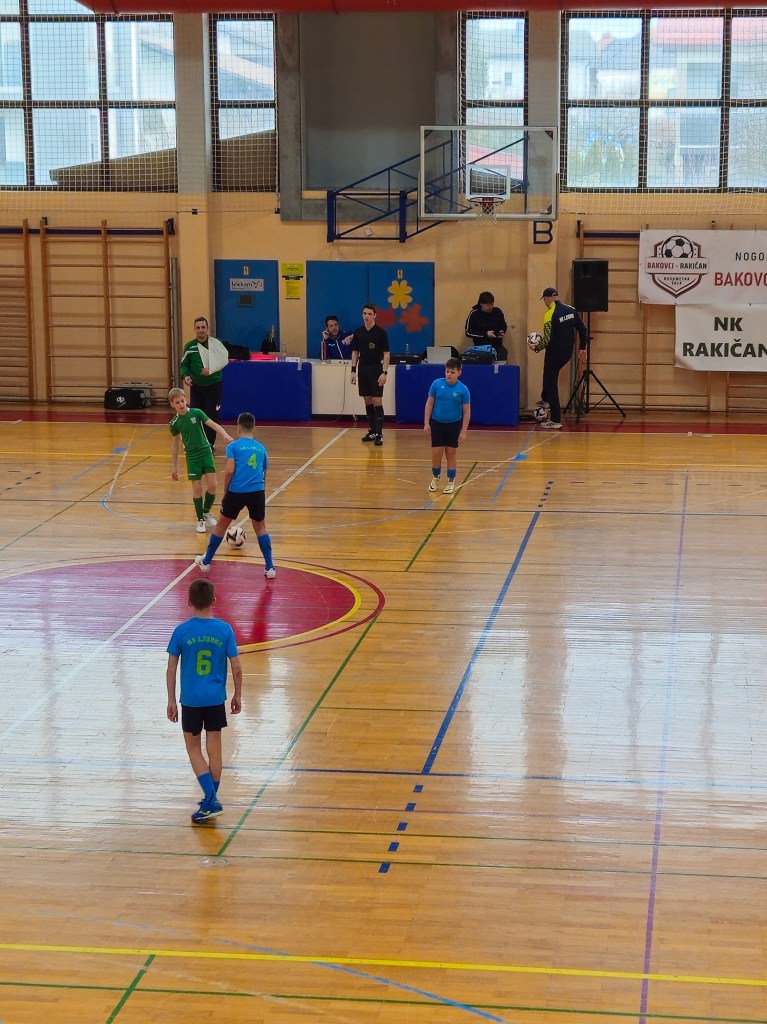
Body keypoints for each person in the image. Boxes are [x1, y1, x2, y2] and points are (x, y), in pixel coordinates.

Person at [166, 578, 242, 824]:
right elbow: (237, 667)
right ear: (214, 601)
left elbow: (171, 668)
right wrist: (237, 694)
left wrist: (171, 699)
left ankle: (211, 799)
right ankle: (211, 801)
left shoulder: (181, 632)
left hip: (191, 701)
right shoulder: (225, 630)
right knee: (214, 749)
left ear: (188, 602)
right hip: (215, 699)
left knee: (193, 749)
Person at [195, 411, 277, 579]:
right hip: (257, 492)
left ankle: (207, 562)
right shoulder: (261, 448)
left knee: (221, 526)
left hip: (236, 491)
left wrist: (226, 490)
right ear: (254, 428)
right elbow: (264, 472)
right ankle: (270, 568)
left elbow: (230, 470)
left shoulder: (233, 447)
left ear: (238, 428)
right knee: (261, 528)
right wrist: (260, 490)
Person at [168, 388, 233, 533]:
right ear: (172, 404)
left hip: (205, 452)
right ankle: (200, 520)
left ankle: (206, 511)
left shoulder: (196, 413)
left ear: (186, 400)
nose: (181, 404)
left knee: (213, 485)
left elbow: (213, 424)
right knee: (197, 489)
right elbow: (175, 446)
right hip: (192, 457)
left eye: (182, 401)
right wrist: (174, 466)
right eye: (177, 402)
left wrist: (225, 435)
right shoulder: (174, 423)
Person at [538, 286, 590, 430]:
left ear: (547, 298)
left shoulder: (549, 314)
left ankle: (555, 419)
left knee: (551, 382)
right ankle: (545, 399)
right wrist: (582, 348)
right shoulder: (571, 310)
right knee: (548, 376)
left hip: (554, 353)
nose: (545, 302)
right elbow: (582, 329)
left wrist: (536, 347)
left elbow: (547, 339)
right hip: (567, 353)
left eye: (544, 299)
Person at [423, 357, 471, 495]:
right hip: (437, 423)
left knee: (451, 453)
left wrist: (464, 431)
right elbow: (429, 403)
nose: (449, 374)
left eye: (452, 372)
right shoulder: (437, 384)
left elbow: (467, 411)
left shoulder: (463, 390)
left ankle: (451, 481)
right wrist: (426, 423)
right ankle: (435, 477)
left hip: (453, 425)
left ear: (459, 372)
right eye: (447, 371)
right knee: (436, 452)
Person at [180, 316, 226, 450]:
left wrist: (210, 369)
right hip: (197, 387)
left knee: (211, 415)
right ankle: (199, 443)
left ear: (207, 328)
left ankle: (209, 444)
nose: (201, 330)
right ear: (194, 329)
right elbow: (184, 364)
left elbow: (223, 360)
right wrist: (186, 376)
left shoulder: (216, 345)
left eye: (203, 327)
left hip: (214, 386)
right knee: (196, 416)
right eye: (198, 327)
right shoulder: (189, 346)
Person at [350, 304, 390, 446]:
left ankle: (379, 433)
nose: (366, 316)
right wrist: (353, 370)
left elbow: (386, 353)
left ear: (375, 315)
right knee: (367, 400)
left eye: (369, 314)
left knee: (377, 400)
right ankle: (372, 431)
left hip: (376, 369)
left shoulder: (381, 333)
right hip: (363, 369)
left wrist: (384, 372)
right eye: (364, 313)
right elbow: (355, 352)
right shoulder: (358, 332)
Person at [464, 291, 509, 362]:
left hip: (497, 347)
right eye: (488, 305)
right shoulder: (474, 314)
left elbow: (503, 325)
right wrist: (486, 334)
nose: (491, 307)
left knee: (503, 354)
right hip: (481, 349)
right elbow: (468, 332)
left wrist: (502, 331)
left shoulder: (497, 311)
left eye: (492, 304)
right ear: (481, 304)